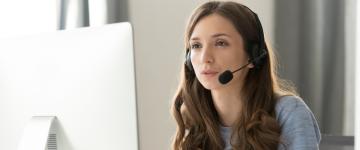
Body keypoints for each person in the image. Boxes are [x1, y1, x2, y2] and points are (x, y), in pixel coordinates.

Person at [171, 1, 321, 150]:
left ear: (253, 56)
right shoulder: (195, 121)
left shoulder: (288, 112)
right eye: (196, 46)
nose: (205, 58)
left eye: (221, 43)